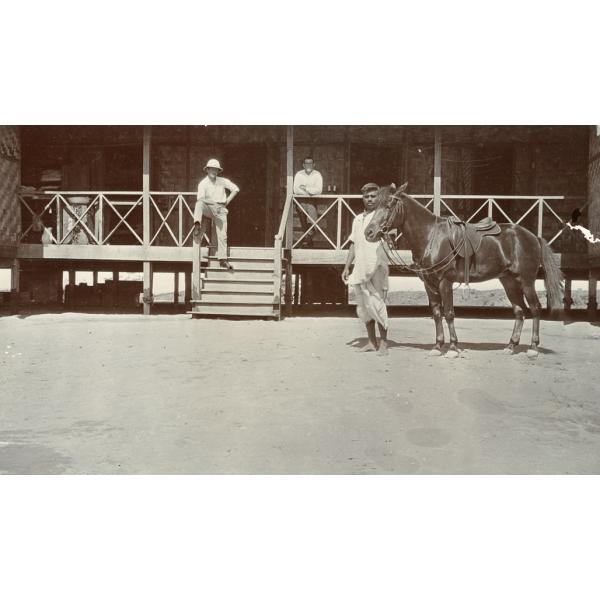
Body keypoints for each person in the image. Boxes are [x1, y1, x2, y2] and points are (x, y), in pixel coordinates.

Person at [342, 183, 389, 355]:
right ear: (362, 198)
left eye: (373, 196)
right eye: (366, 197)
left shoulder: (382, 217)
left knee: (377, 303)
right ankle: (371, 341)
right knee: (363, 306)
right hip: (360, 267)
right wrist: (347, 266)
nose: (369, 199)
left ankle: (384, 343)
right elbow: (353, 243)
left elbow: (389, 236)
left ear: (378, 197)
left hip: (376, 266)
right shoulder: (357, 219)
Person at [193, 158, 240, 270]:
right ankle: (197, 224)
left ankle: (222, 260)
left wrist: (226, 202)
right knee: (199, 203)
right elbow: (201, 198)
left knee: (222, 235)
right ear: (207, 170)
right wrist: (214, 204)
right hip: (209, 208)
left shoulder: (222, 181)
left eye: (216, 170)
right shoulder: (203, 183)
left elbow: (236, 189)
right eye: (212, 169)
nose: (214, 172)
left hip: (220, 209)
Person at [293, 157, 323, 247]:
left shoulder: (317, 174)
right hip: (300, 201)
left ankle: (307, 238)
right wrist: (310, 191)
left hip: (311, 200)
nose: (308, 165)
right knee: (303, 222)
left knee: (314, 221)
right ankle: (308, 241)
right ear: (303, 165)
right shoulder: (299, 174)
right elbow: (296, 190)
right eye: (306, 163)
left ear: (314, 165)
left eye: (310, 163)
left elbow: (319, 190)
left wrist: (305, 188)